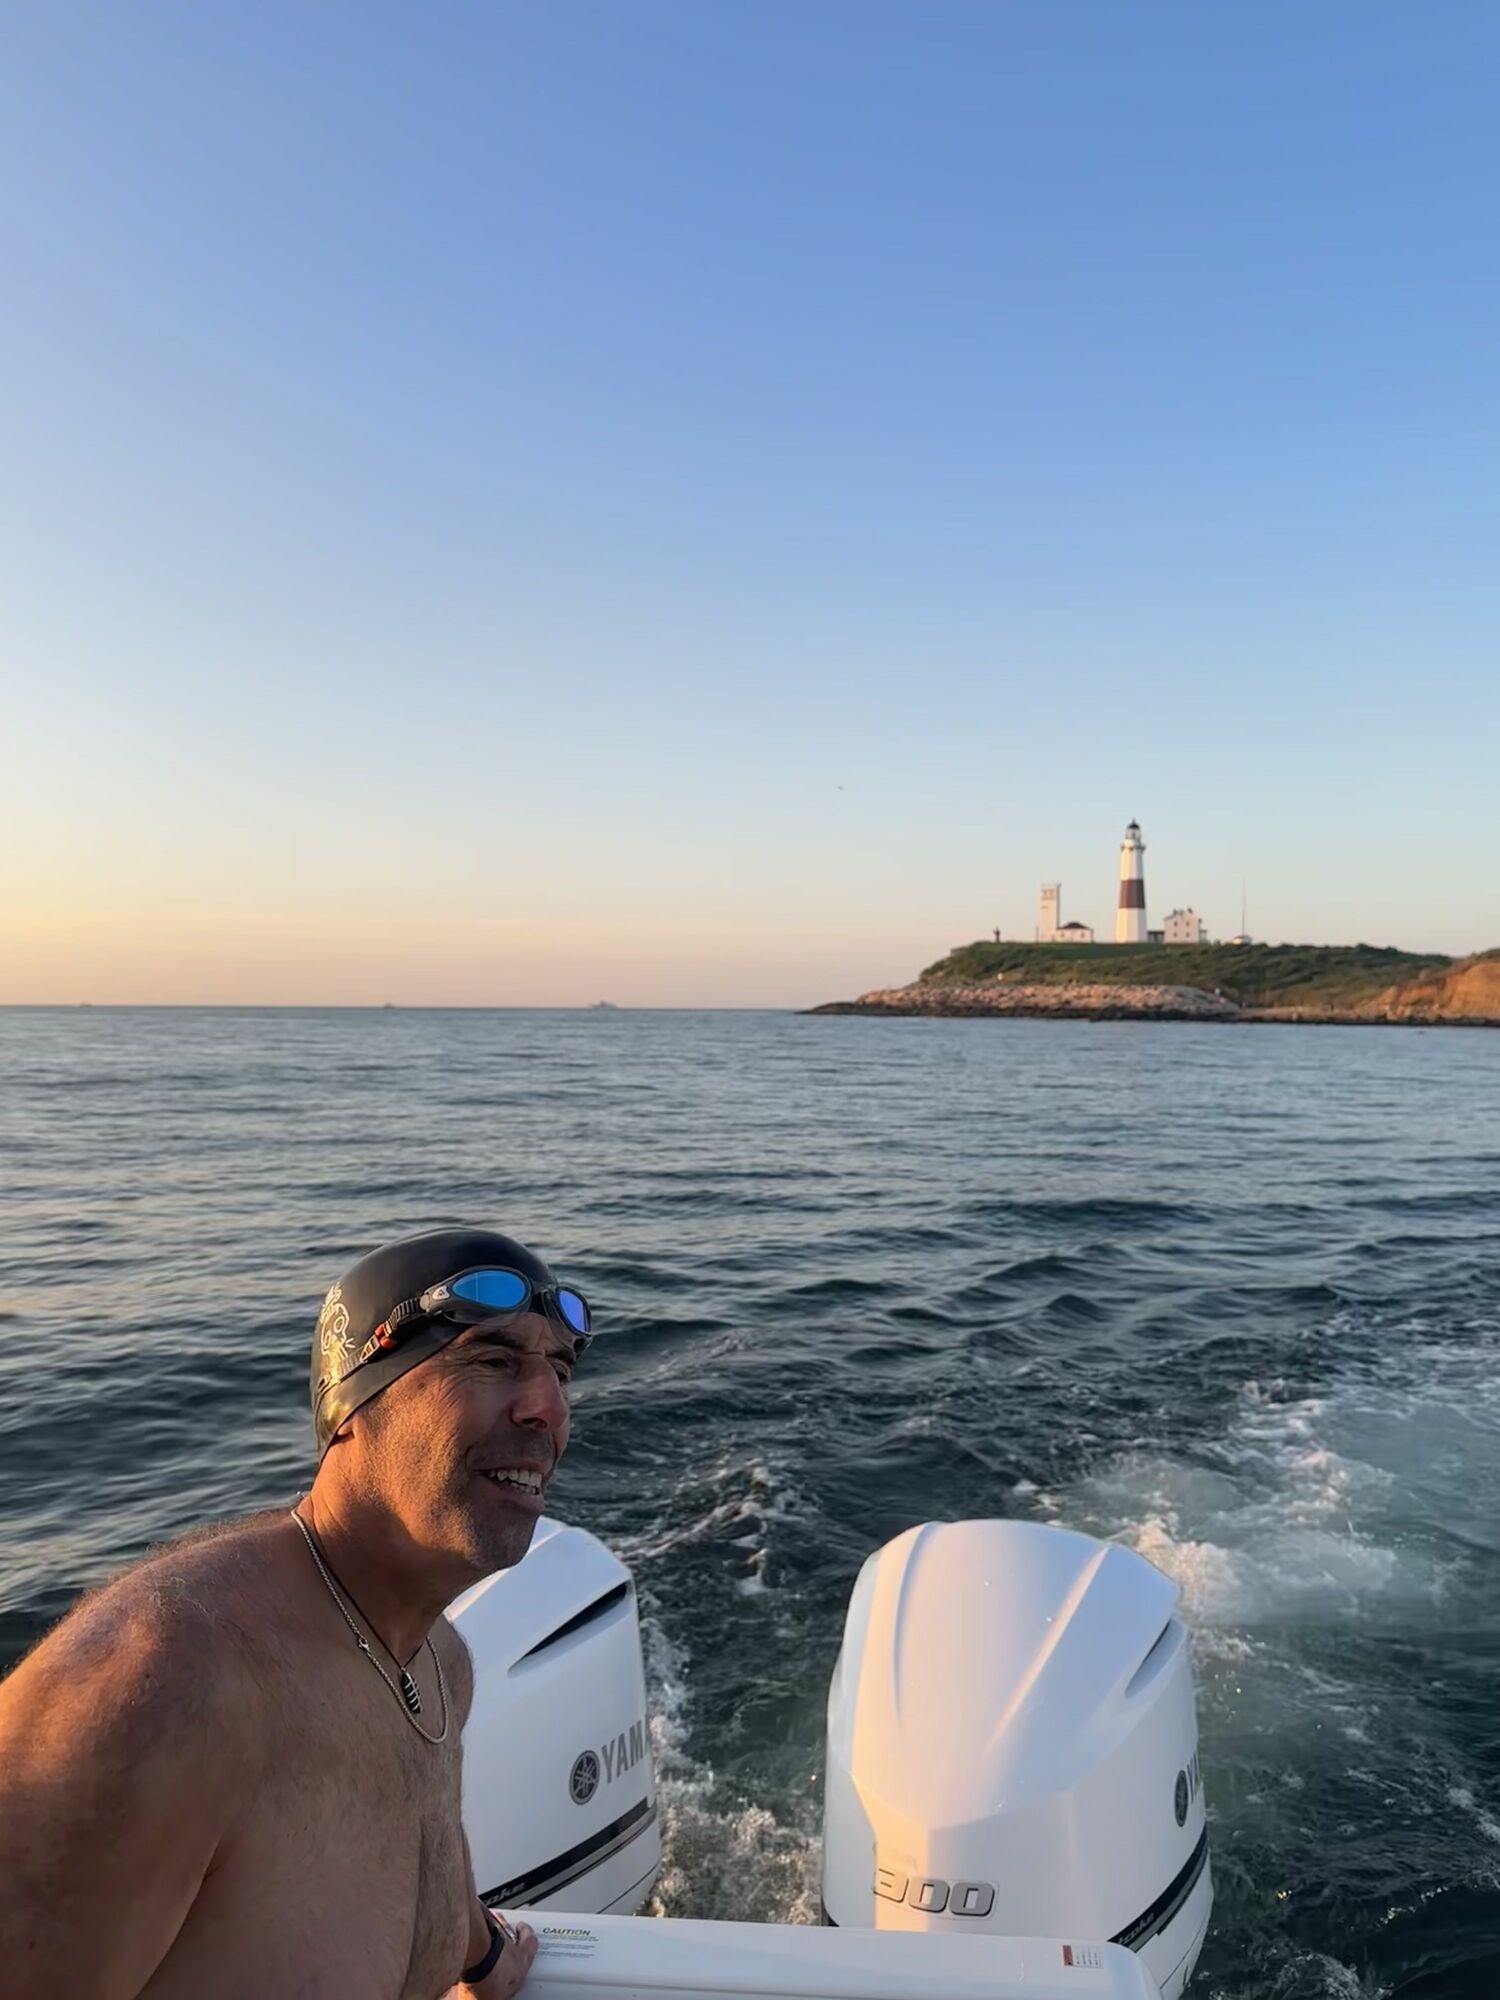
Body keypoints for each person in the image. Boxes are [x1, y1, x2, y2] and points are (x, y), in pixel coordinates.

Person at [0, 1226, 592, 2000]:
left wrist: (479, 1956)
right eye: (492, 1360)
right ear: (353, 1406)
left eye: (559, 1371)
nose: (548, 1408)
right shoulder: (155, 1687)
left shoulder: (439, 1663)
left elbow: (418, 1842)